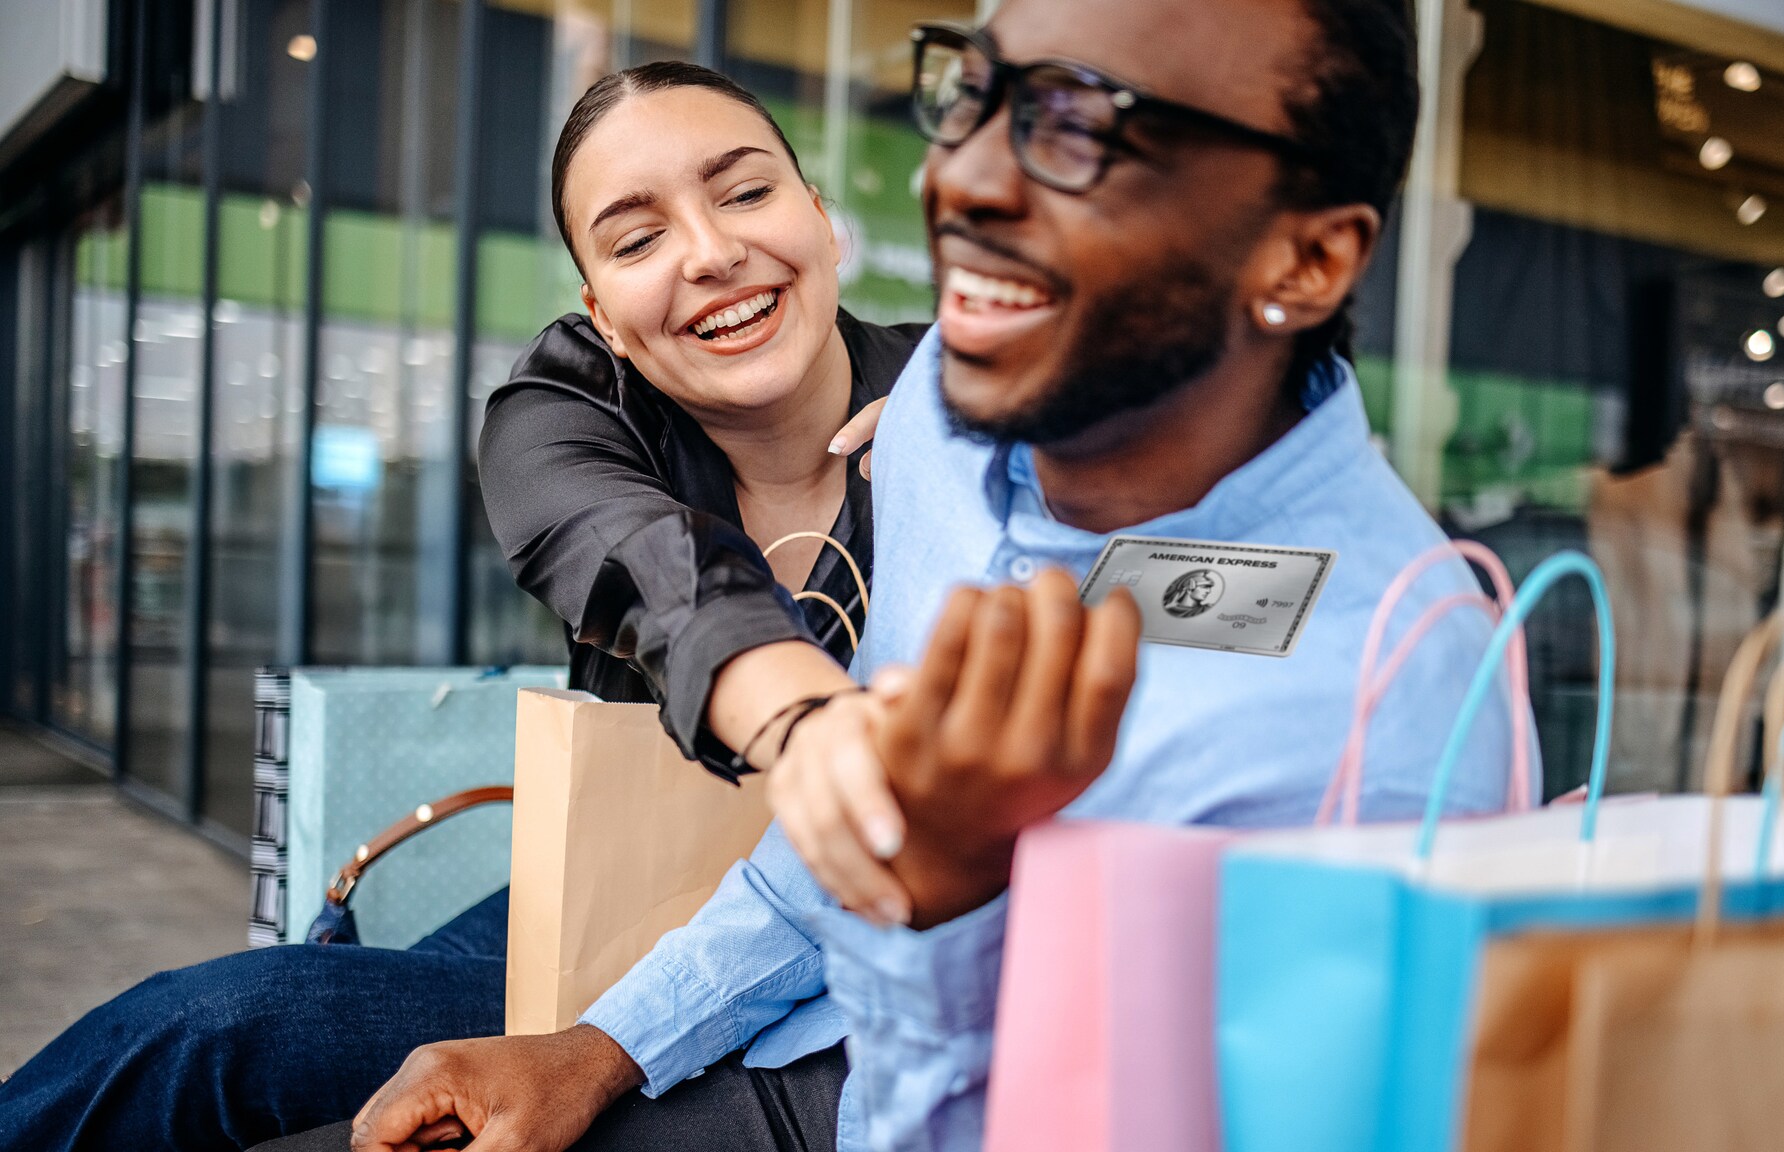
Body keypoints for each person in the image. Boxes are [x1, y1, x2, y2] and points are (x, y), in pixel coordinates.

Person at [295, 0, 1522, 1149]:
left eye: (1085, 125)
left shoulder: (1391, 707)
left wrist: (932, 908)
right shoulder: (936, 416)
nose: (960, 178)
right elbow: (812, 853)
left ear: (1304, 260)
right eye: (976, 95)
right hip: (765, 1020)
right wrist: (596, 1048)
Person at [0, 62, 919, 1152]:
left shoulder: (959, 412)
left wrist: (955, 446)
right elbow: (650, 563)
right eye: (634, 240)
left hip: (851, 957)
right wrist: (804, 726)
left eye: (746, 193)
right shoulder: (568, 404)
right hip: (617, 897)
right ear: (602, 315)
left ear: (820, 217)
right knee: (217, 1030)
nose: (710, 253)